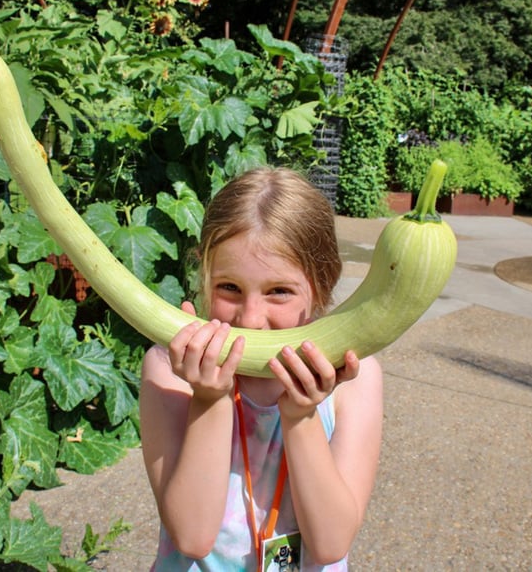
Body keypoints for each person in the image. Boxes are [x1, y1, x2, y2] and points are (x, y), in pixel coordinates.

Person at [140, 166, 383, 571]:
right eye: (229, 288)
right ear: (204, 276)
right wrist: (210, 399)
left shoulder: (356, 380)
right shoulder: (169, 368)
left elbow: (329, 544)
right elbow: (193, 537)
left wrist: (301, 416)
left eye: (279, 292)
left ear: (322, 285)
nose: (250, 319)